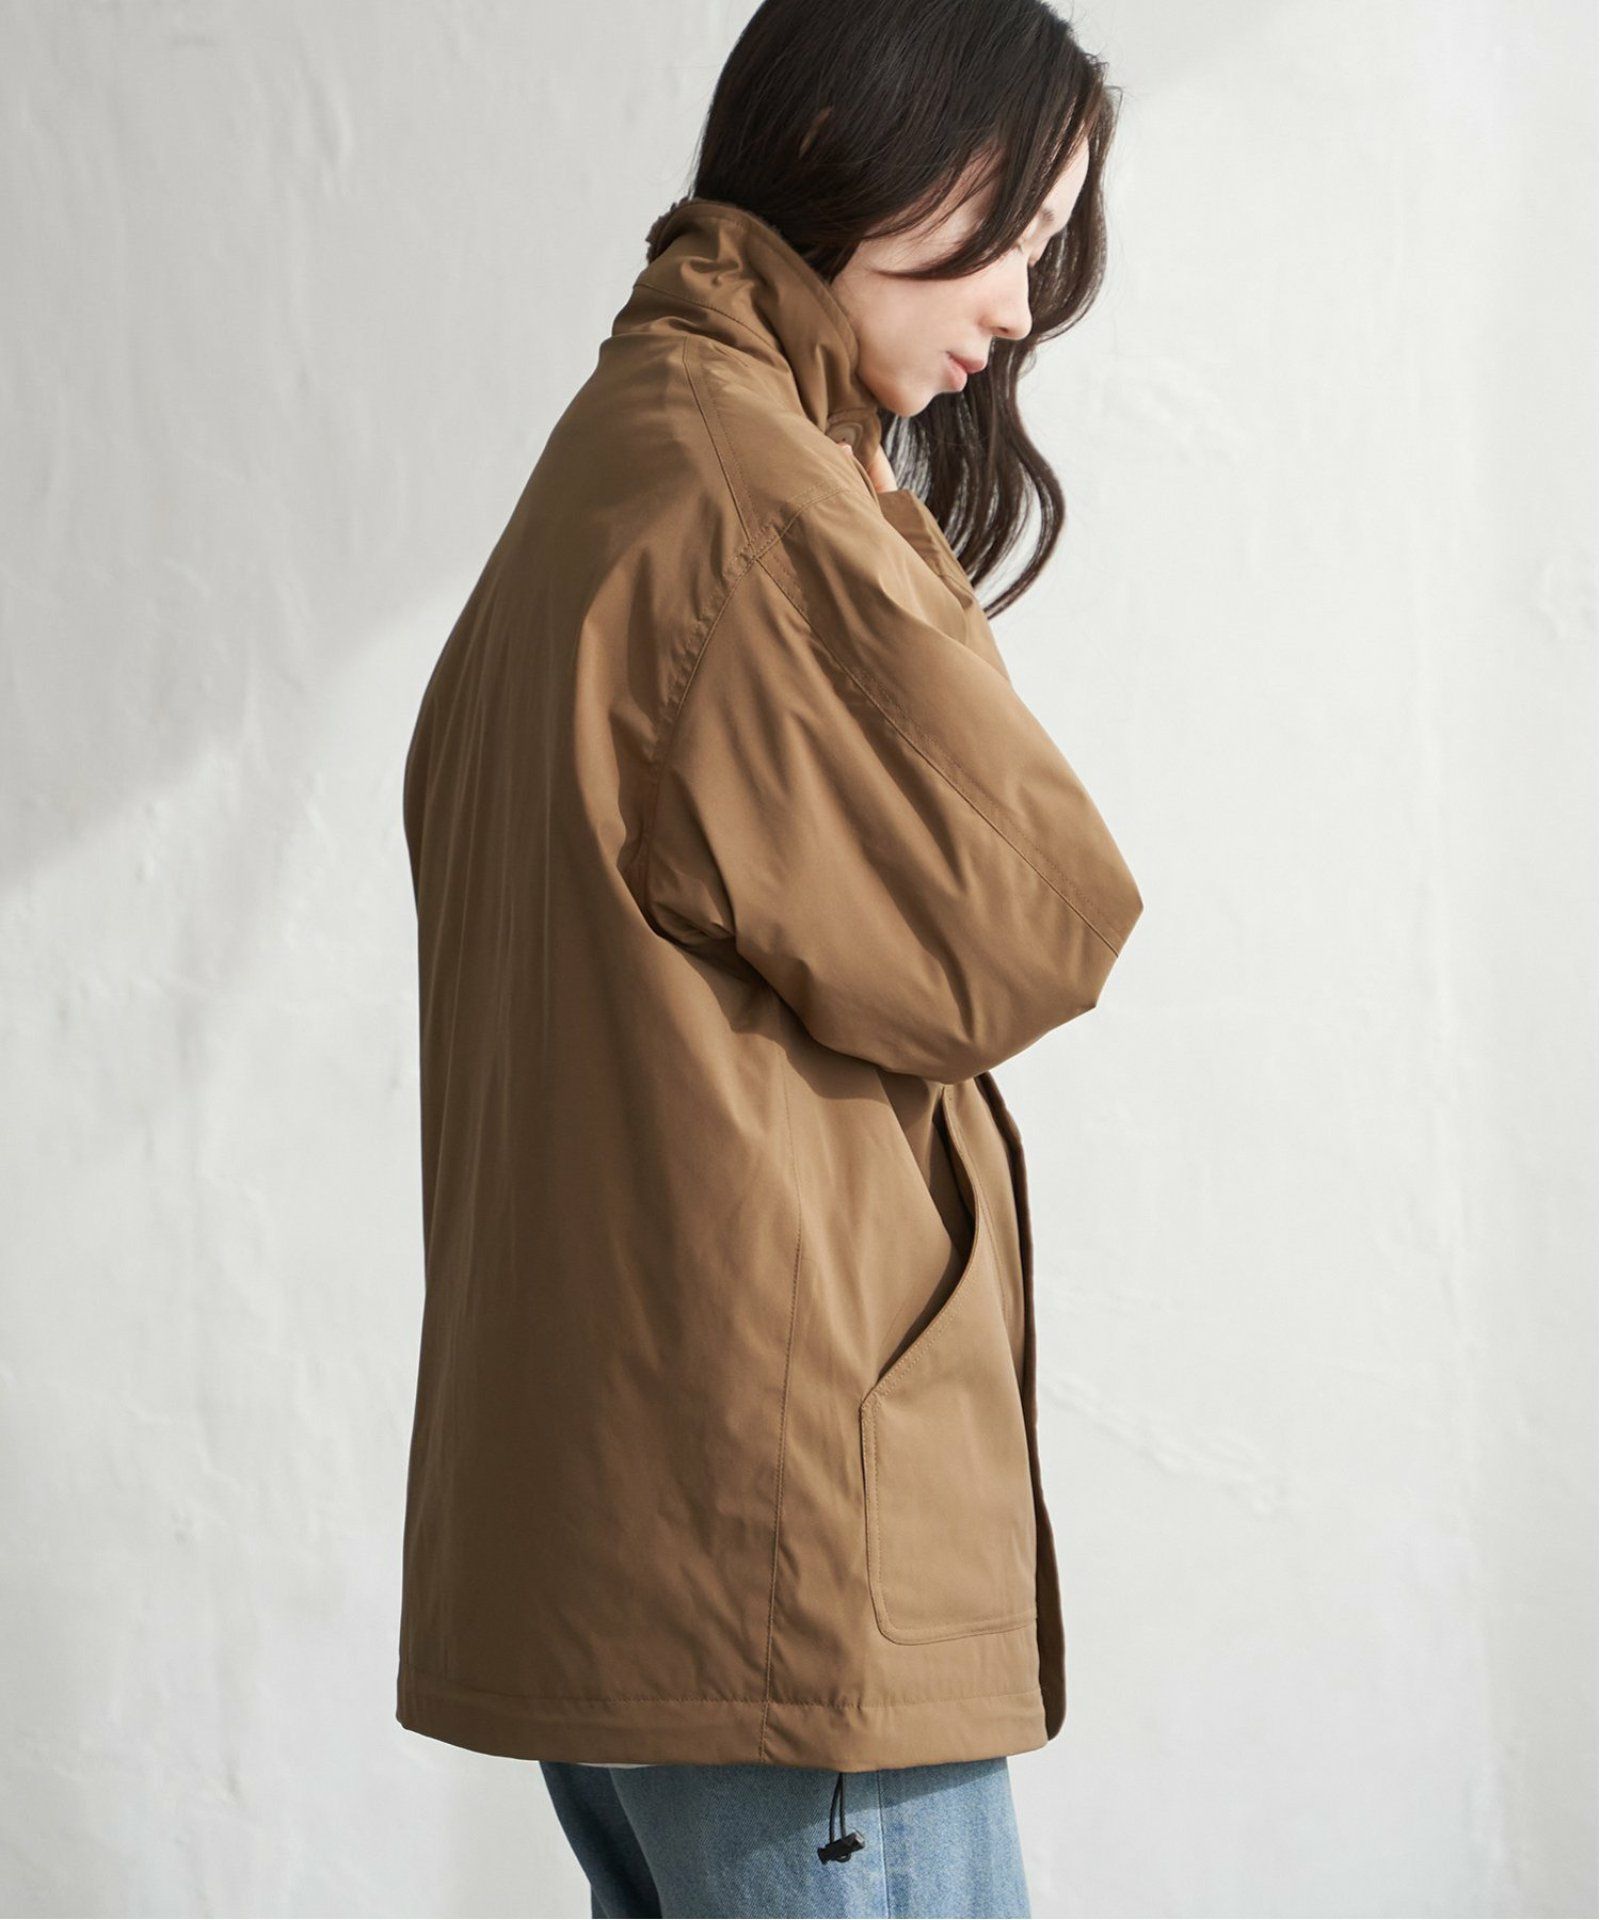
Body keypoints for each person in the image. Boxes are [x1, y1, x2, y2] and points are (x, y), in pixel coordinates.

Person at [395, 0, 1143, 1912]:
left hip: (643, 1551)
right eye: (1010, 233)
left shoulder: (621, 461)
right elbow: (1031, 919)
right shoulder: (749, 499)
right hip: (778, 1578)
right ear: (869, 150)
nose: (1021, 308)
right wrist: (873, 505)